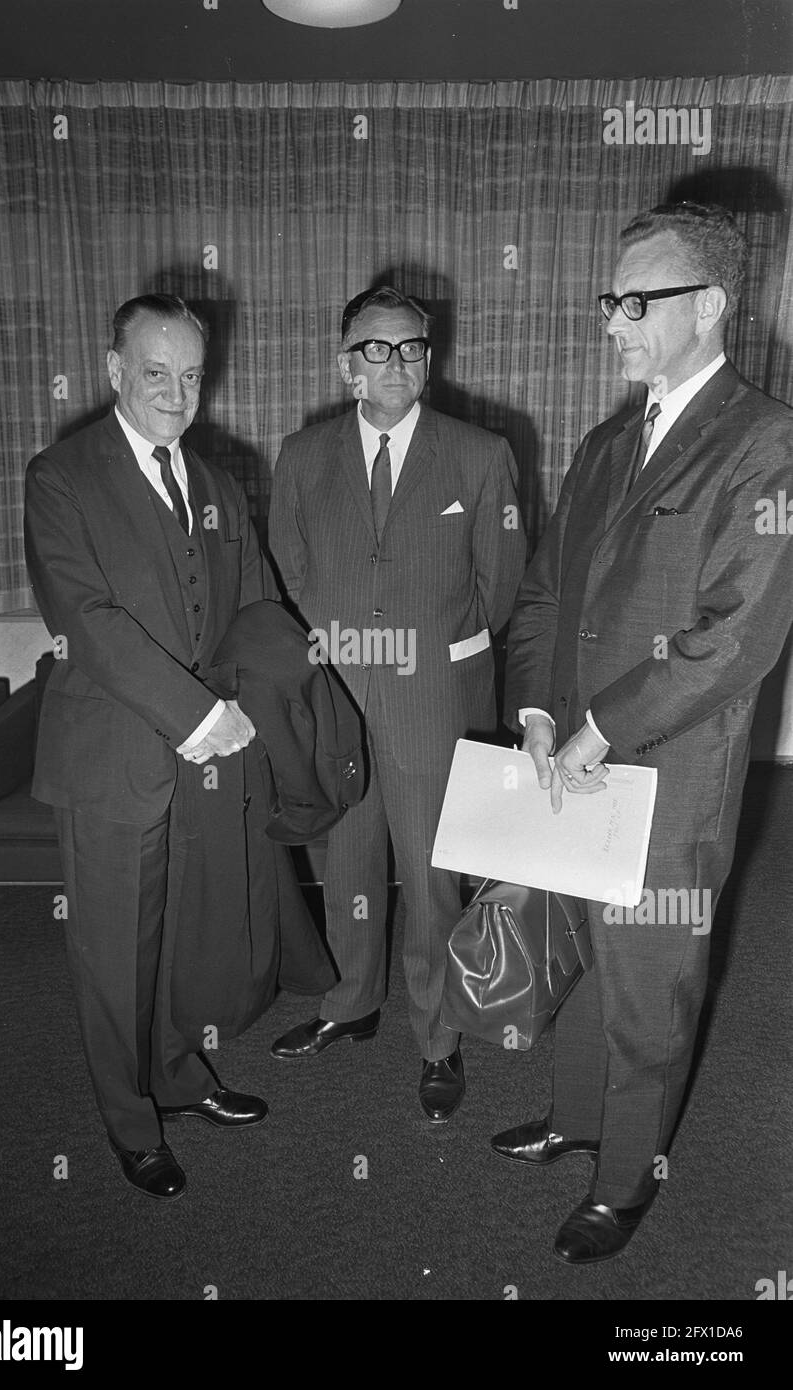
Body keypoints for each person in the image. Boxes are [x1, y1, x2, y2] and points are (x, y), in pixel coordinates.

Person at [493, 203, 793, 1262]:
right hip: (567, 756)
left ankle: (625, 1179)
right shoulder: (610, 437)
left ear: (710, 306)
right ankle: (579, 1117)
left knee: (648, 982)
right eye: (609, 299)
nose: (612, 320)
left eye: (636, 301)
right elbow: (543, 592)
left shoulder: (768, 442)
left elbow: (735, 638)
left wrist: (599, 728)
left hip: (667, 773)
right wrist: (535, 708)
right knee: (576, 952)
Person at [24, 293, 282, 1201]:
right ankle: (129, 1123)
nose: (175, 393)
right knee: (111, 955)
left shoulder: (212, 482)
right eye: (154, 373)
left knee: (173, 940)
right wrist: (200, 716)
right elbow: (86, 622)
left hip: (202, 762)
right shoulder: (61, 476)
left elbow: (252, 606)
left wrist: (284, 700)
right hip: (110, 763)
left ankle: (175, 1076)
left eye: (190, 375)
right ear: (113, 373)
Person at [268, 285, 526, 1121]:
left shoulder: (480, 454)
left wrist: (432, 661)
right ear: (347, 363)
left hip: (432, 705)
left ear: (430, 357)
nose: (395, 363)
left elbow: (499, 590)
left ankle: (438, 1038)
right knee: (342, 863)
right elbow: (289, 575)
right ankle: (351, 1001)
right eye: (375, 348)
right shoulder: (303, 456)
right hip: (337, 694)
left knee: (431, 876)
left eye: (411, 347)